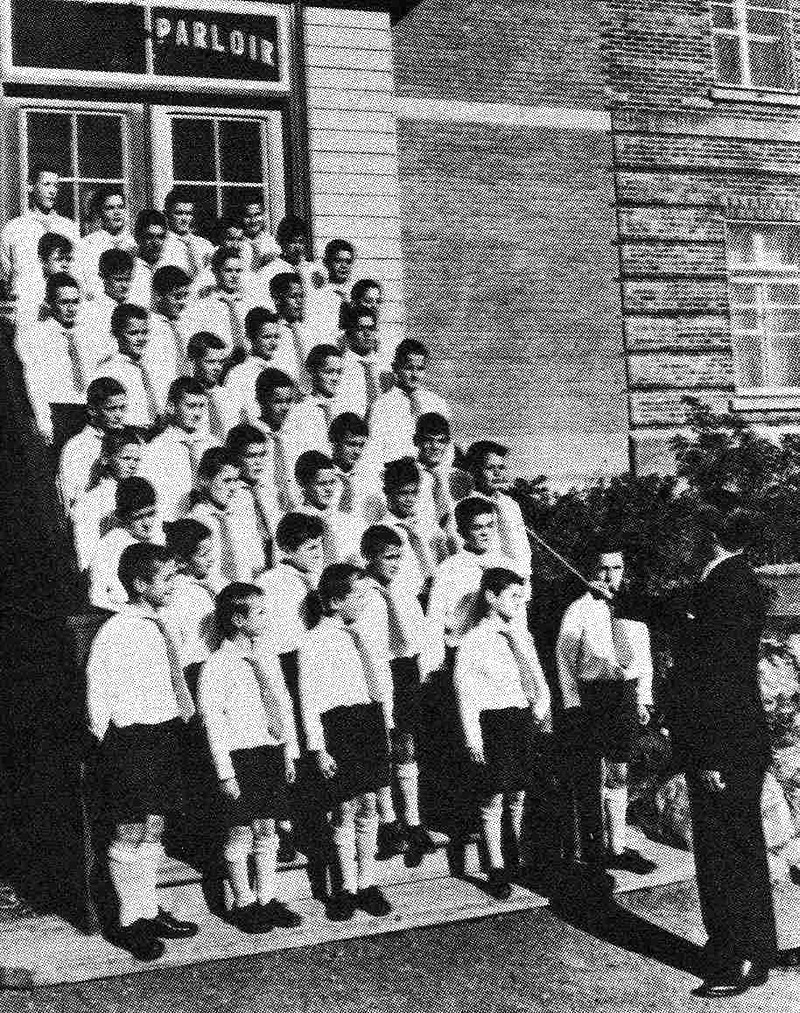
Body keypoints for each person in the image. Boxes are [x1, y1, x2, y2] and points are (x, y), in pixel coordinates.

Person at [615, 506, 800, 996]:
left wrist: (714, 755)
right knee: (737, 848)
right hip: (729, 742)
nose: (688, 542)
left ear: (713, 536)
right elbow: (679, 617)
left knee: (726, 854)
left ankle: (739, 959)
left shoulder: (727, 586)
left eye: (695, 534)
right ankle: (751, 950)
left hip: (723, 746)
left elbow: (719, 677)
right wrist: (624, 601)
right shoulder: (725, 581)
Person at [85, 542, 199, 960]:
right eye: (166, 579)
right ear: (139, 584)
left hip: (165, 733)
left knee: (154, 825)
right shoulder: (116, 631)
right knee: (129, 829)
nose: (173, 586)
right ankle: (130, 921)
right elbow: (97, 690)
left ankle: (149, 909)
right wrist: (108, 742)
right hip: (131, 740)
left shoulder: (162, 623)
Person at [196, 583, 303, 933]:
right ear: (237, 620)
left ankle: (266, 898)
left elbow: (282, 706)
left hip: (269, 752)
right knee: (240, 830)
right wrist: (225, 773)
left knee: (267, 827)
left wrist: (288, 751)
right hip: (239, 759)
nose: (266, 618)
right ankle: (243, 901)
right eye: (259, 612)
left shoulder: (266, 657)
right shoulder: (217, 666)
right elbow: (213, 723)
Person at [297, 562, 393, 921]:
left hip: (369, 722)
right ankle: (345, 886)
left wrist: (386, 723)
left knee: (369, 803)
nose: (366, 602)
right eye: (359, 596)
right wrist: (318, 748)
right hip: (337, 727)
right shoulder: (313, 642)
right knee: (343, 808)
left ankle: (367, 882)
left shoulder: (364, 635)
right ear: (336, 601)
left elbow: (381, 682)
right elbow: (308, 699)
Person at [556, 541, 656, 875]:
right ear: (591, 570)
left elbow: (643, 659)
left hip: (624, 695)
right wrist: (572, 702)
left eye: (616, 568)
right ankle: (590, 848)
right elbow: (564, 661)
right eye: (603, 568)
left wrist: (643, 698)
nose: (610, 575)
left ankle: (617, 847)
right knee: (588, 772)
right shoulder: (579, 610)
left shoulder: (633, 609)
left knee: (619, 770)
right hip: (592, 696)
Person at [453, 567, 551, 899]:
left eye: (522, 598)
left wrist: (540, 706)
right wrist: (473, 738)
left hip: (521, 718)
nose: (519, 603)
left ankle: (519, 857)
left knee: (519, 791)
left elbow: (536, 674)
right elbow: (465, 694)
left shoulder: (520, 635)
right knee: (493, 794)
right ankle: (495, 866)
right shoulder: (473, 641)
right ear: (491, 597)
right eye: (513, 596)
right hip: (492, 723)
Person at [355, 524, 438, 863]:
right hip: (375, 671)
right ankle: (388, 822)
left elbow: (416, 637)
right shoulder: (360, 593)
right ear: (368, 557)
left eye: (398, 558)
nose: (395, 564)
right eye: (388, 558)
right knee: (381, 746)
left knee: (407, 744)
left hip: (404, 670)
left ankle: (413, 822)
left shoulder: (403, 591)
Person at [423, 496, 526, 676]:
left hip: (502, 652)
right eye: (477, 527)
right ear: (461, 531)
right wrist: (433, 666)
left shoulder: (509, 566)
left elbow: (519, 616)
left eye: (490, 525)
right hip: (464, 653)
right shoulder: (449, 569)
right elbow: (435, 620)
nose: (485, 532)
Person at [16, 273, 94, 443]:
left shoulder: (87, 334)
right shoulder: (37, 336)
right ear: (50, 303)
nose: (71, 308)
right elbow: (35, 383)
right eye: (64, 302)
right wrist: (44, 422)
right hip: (59, 413)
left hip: (89, 412)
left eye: (75, 302)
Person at [0, 163, 80, 301]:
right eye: (46, 184)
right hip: (28, 302)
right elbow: (6, 275)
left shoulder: (69, 228)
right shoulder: (14, 229)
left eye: (55, 186)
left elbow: (77, 270)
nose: (52, 191)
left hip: (62, 304)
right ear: (31, 186)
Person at [367, 339, 450, 466]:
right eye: (409, 368)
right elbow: (374, 450)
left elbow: (447, 446)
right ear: (395, 368)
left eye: (420, 368)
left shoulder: (437, 403)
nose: (415, 375)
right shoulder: (381, 406)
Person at [71, 427, 143, 572]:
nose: (132, 465)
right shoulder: (90, 502)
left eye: (136, 460)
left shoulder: (140, 494)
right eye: (126, 458)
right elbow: (86, 558)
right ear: (106, 459)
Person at [140, 377, 212, 521]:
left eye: (201, 406)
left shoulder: (212, 444)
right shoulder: (155, 449)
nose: (197, 413)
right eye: (191, 406)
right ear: (172, 407)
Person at [379, 457, 447, 601]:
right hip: (404, 600)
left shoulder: (427, 524)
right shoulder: (382, 530)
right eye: (403, 493)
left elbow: (444, 563)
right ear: (389, 493)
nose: (410, 499)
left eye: (414, 492)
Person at [88, 476, 160, 611]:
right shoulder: (109, 546)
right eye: (139, 517)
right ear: (123, 518)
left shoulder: (159, 537)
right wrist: (131, 613)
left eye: (151, 514)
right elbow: (97, 597)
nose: (147, 524)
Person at [58, 376, 128, 513]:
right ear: (93, 410)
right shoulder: (77, 447)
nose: (119, 415)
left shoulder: (127, 441)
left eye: (122, 408)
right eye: (112, 409)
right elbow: (71, 501)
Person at [463, 441, 532, 578]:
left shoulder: (510, 504)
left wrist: (524, 577)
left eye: (501, 467)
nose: (497, 473)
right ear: (474, 470)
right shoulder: (464, 504)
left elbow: (523, 547)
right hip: (483, 578)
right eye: (490, 468)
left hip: (517, 577)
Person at [185, 446, 250, 591]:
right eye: (227, 481)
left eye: (236, 480)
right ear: (204, 480)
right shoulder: (194, 522)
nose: (233, 488)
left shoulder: (241, 516)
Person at [92, 303, 165, 430]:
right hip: (126, 433)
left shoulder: (153, 365)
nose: (141, 338)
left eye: (144, 332)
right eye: (133, 333)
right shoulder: (108, 369)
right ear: (116, 334)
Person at [162, 518, 218, 671]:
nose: (211, 559)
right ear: (181, 561)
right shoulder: (178, 594)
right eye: (204, 554)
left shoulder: (206, 584)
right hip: (198, 668)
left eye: (210, 552)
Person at [293, 450, 364, 565]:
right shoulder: (295, 522)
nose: (329, 489)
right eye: (321, 483)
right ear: (303, 484)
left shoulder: (339, 519)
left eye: (332, 482)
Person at [185, 247, 252, 357]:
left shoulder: (249, 302)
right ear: (215, 272)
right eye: (228, 270)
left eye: (238, 271)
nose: (234, 276)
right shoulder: (204, 305)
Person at [226, 424, 274, 577]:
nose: (258, 462)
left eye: (262, 455)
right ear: (236, 458)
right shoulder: (231, 495)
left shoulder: (269, 491)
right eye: (251, 456)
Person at [252, 367, 302, 513]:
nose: (285, 407)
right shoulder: (250, 438)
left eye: (289, 401)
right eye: (278, 401)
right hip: (265, 509)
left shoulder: (296, 435)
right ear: (261, 401)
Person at [414, 412, 463, 556]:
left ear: (448, 443)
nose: (435, 446)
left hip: (457, 550)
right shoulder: (407, 476)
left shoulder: (458, 477)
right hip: (423, 549)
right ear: (416, 441)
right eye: (428, 440)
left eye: (441, 441)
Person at [225, 307, 281, 426]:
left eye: (276, 337)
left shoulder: (280, 370)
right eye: (267, 337)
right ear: (250, 337)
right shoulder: (238, 374)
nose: (273, 343)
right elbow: (233, 418)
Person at [328, 412, 384, 522]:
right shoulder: (322, 477)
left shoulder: (369, 480)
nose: (357, 451)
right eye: (351, 444)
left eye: (361, 445)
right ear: (335, 442)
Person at [80, 188, 136, 296]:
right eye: (110, 208)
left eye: (121, 207)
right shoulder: (88, 245)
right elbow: (87, 283)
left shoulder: (135, 244)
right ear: (100, 213)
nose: (117, 212)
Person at [80, 249, 135, 357]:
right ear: (102, 277)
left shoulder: (134, 308)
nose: (125, 286)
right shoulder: (92, 312)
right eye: (118, 280)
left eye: (127, 279)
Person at [16, 231, 76, 331]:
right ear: (43, 260)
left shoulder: (72, 287)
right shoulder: (31, 290)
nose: (65, 265)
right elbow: (25, 325)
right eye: (59, 259)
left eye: (68, 259)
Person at [336, 306, 388, 421]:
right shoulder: (340, 368)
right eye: (361, 329)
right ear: (349, 333)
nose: (367, 334)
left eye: (371, 328)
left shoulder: (384, 365)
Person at [292, 344, 345, 457]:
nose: (335, 378)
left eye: (339, 372)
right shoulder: (300, 412)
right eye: (329, 372)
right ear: (312, 371)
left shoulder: (346, 407)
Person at [186, 331, 236, 442]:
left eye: (221, 362)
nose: (217, 368)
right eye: (211, 362)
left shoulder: (230, 396)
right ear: (193, 361)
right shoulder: (184, 399)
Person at [268, 271, 318, 379]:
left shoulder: (310, 330)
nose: (299, 301)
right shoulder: (271, 333)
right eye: (293, 296)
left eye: (301, 296)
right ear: (277, 299)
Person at [149, 265, 193, 378]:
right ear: (159, 296)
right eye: (177, 297)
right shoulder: (149, 326)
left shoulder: (187, 324)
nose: (182, 302)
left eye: (185, 296)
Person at [305, 239, 354, 340]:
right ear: (327, 262)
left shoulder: (352, 294)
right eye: (338, 261)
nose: (344, 266)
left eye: (348, 261)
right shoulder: (319, 294)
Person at [256, 216, 316, 297]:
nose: (297, 247)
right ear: (281, 242)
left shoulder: (311, 269)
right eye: (292, 242)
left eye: (301, 241)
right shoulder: (270, 270)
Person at [161, 190, 214, 279]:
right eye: (179, 213)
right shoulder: (162, 244)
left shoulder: (204, 245)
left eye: (188, 213)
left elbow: (211, 276)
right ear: (167, 215)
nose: (184, 219)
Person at [128, 210, 169, 308]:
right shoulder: (129, 269)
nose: (156, 243)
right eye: (150, 237)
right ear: (137, 238)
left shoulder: (171, 265)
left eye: (161, 237)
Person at [239, 197, 281, 273]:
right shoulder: (237, 242)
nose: (253, 220)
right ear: (242, 218)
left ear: (263, 216)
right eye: (248, 216)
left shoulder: (270, 242)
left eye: (257, 215)